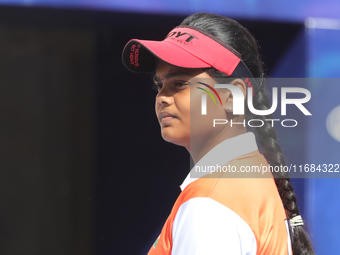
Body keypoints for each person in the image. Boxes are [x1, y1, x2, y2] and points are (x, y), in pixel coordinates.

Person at [122, 13, 315, 255]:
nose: (162, 97)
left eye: (180, 84)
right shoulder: (248, 173)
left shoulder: (209, 204)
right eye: (160, 85)